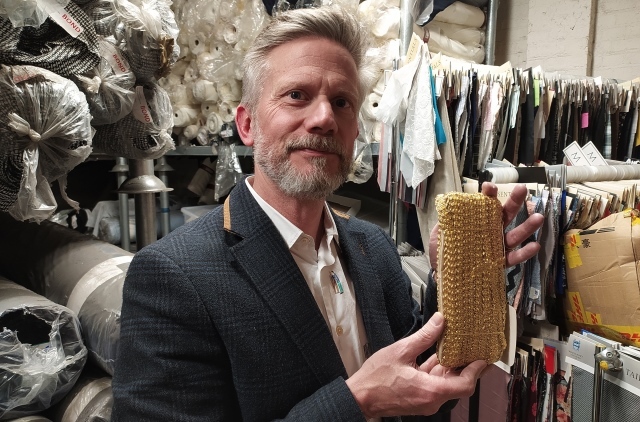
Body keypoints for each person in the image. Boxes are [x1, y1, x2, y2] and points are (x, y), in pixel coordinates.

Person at [111, 5, 544, 421]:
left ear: (357, 130)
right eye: (296, 96)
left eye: (342, 102)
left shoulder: (372, 249)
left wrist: (459, 284)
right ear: (247, 125)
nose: (323, 118)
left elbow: (420, 390)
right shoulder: (173, 277)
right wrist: (358, 402)